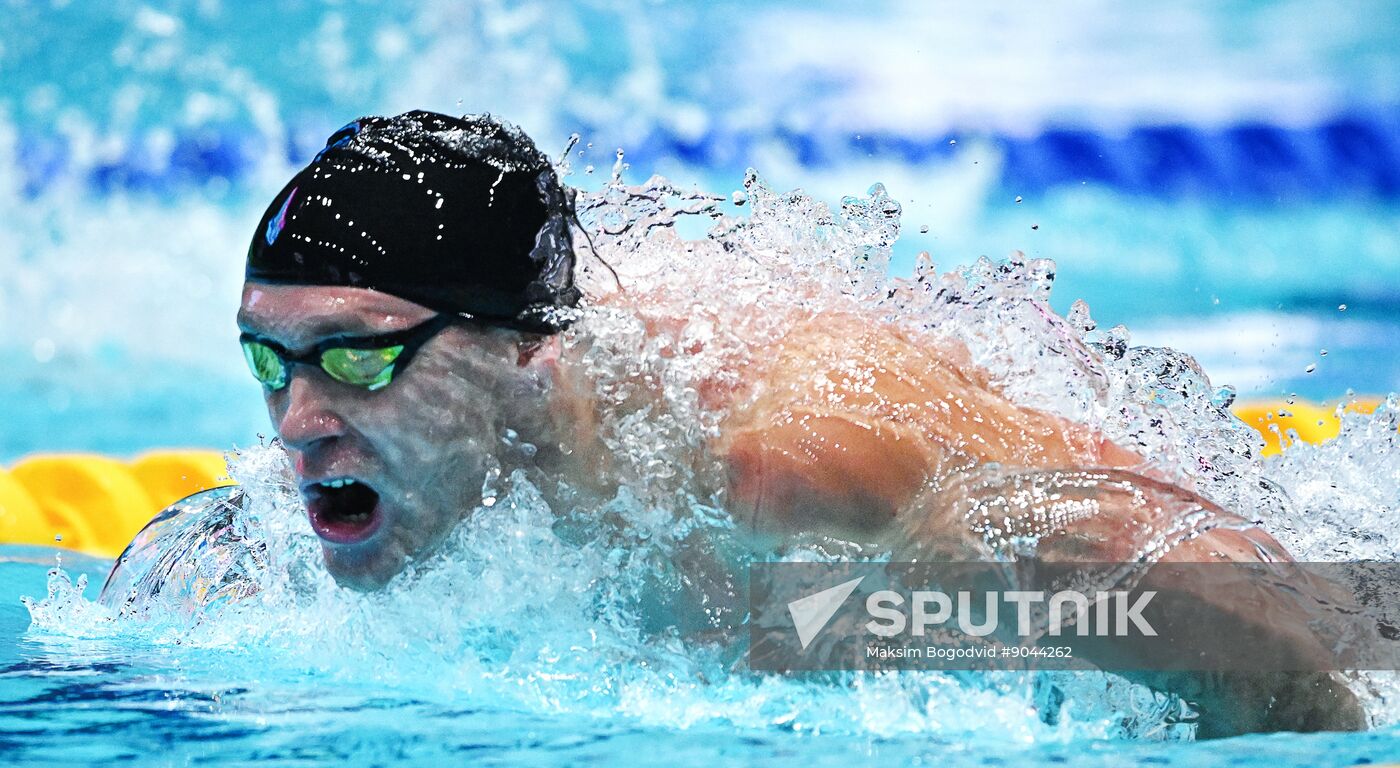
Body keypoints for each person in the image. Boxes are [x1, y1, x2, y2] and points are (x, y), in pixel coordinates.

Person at [101, 110, 1366, 736]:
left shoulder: (776, 480)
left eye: (357, 362)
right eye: (269, 360)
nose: (297, 423)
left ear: (520, 355)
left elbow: (1237, 606)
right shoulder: (392, 459)